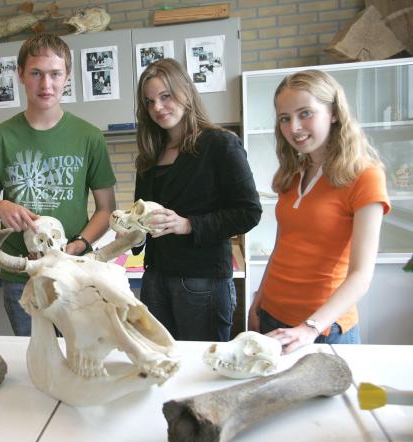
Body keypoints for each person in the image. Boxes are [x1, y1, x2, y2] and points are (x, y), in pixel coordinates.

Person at [0, 33, 116, 336]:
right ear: (20, 75)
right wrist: (0, 207)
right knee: (33, 357)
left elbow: (107, 209)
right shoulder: (0, 137)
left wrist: (79, 244)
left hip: (72, 273)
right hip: (20, 277)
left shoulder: (89, 136)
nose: (46, 84)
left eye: (55, 74)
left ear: (67, 76)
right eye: (36, 73)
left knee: (79, 354)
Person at [248, 70, 390, 354]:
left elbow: (361, 275)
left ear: (334, 113)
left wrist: (310, 327)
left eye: (305, 114)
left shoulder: (365, 175)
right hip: (272, 317)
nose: (294, 127)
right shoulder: (292, 174)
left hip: (322, 329)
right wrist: (258, 299)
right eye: (285, 118)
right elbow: (281, 247)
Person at [133, 58, 261, 342]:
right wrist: (131, 228)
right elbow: (143, 215)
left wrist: (189, 224)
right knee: (160, 358)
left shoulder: (220, 144)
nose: (157, 107)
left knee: (201, 363)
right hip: (155, 278)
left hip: (202, 280)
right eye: (150, 101)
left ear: (186, 92)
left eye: (165, 96)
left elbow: (249, 212)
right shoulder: (150, 154)